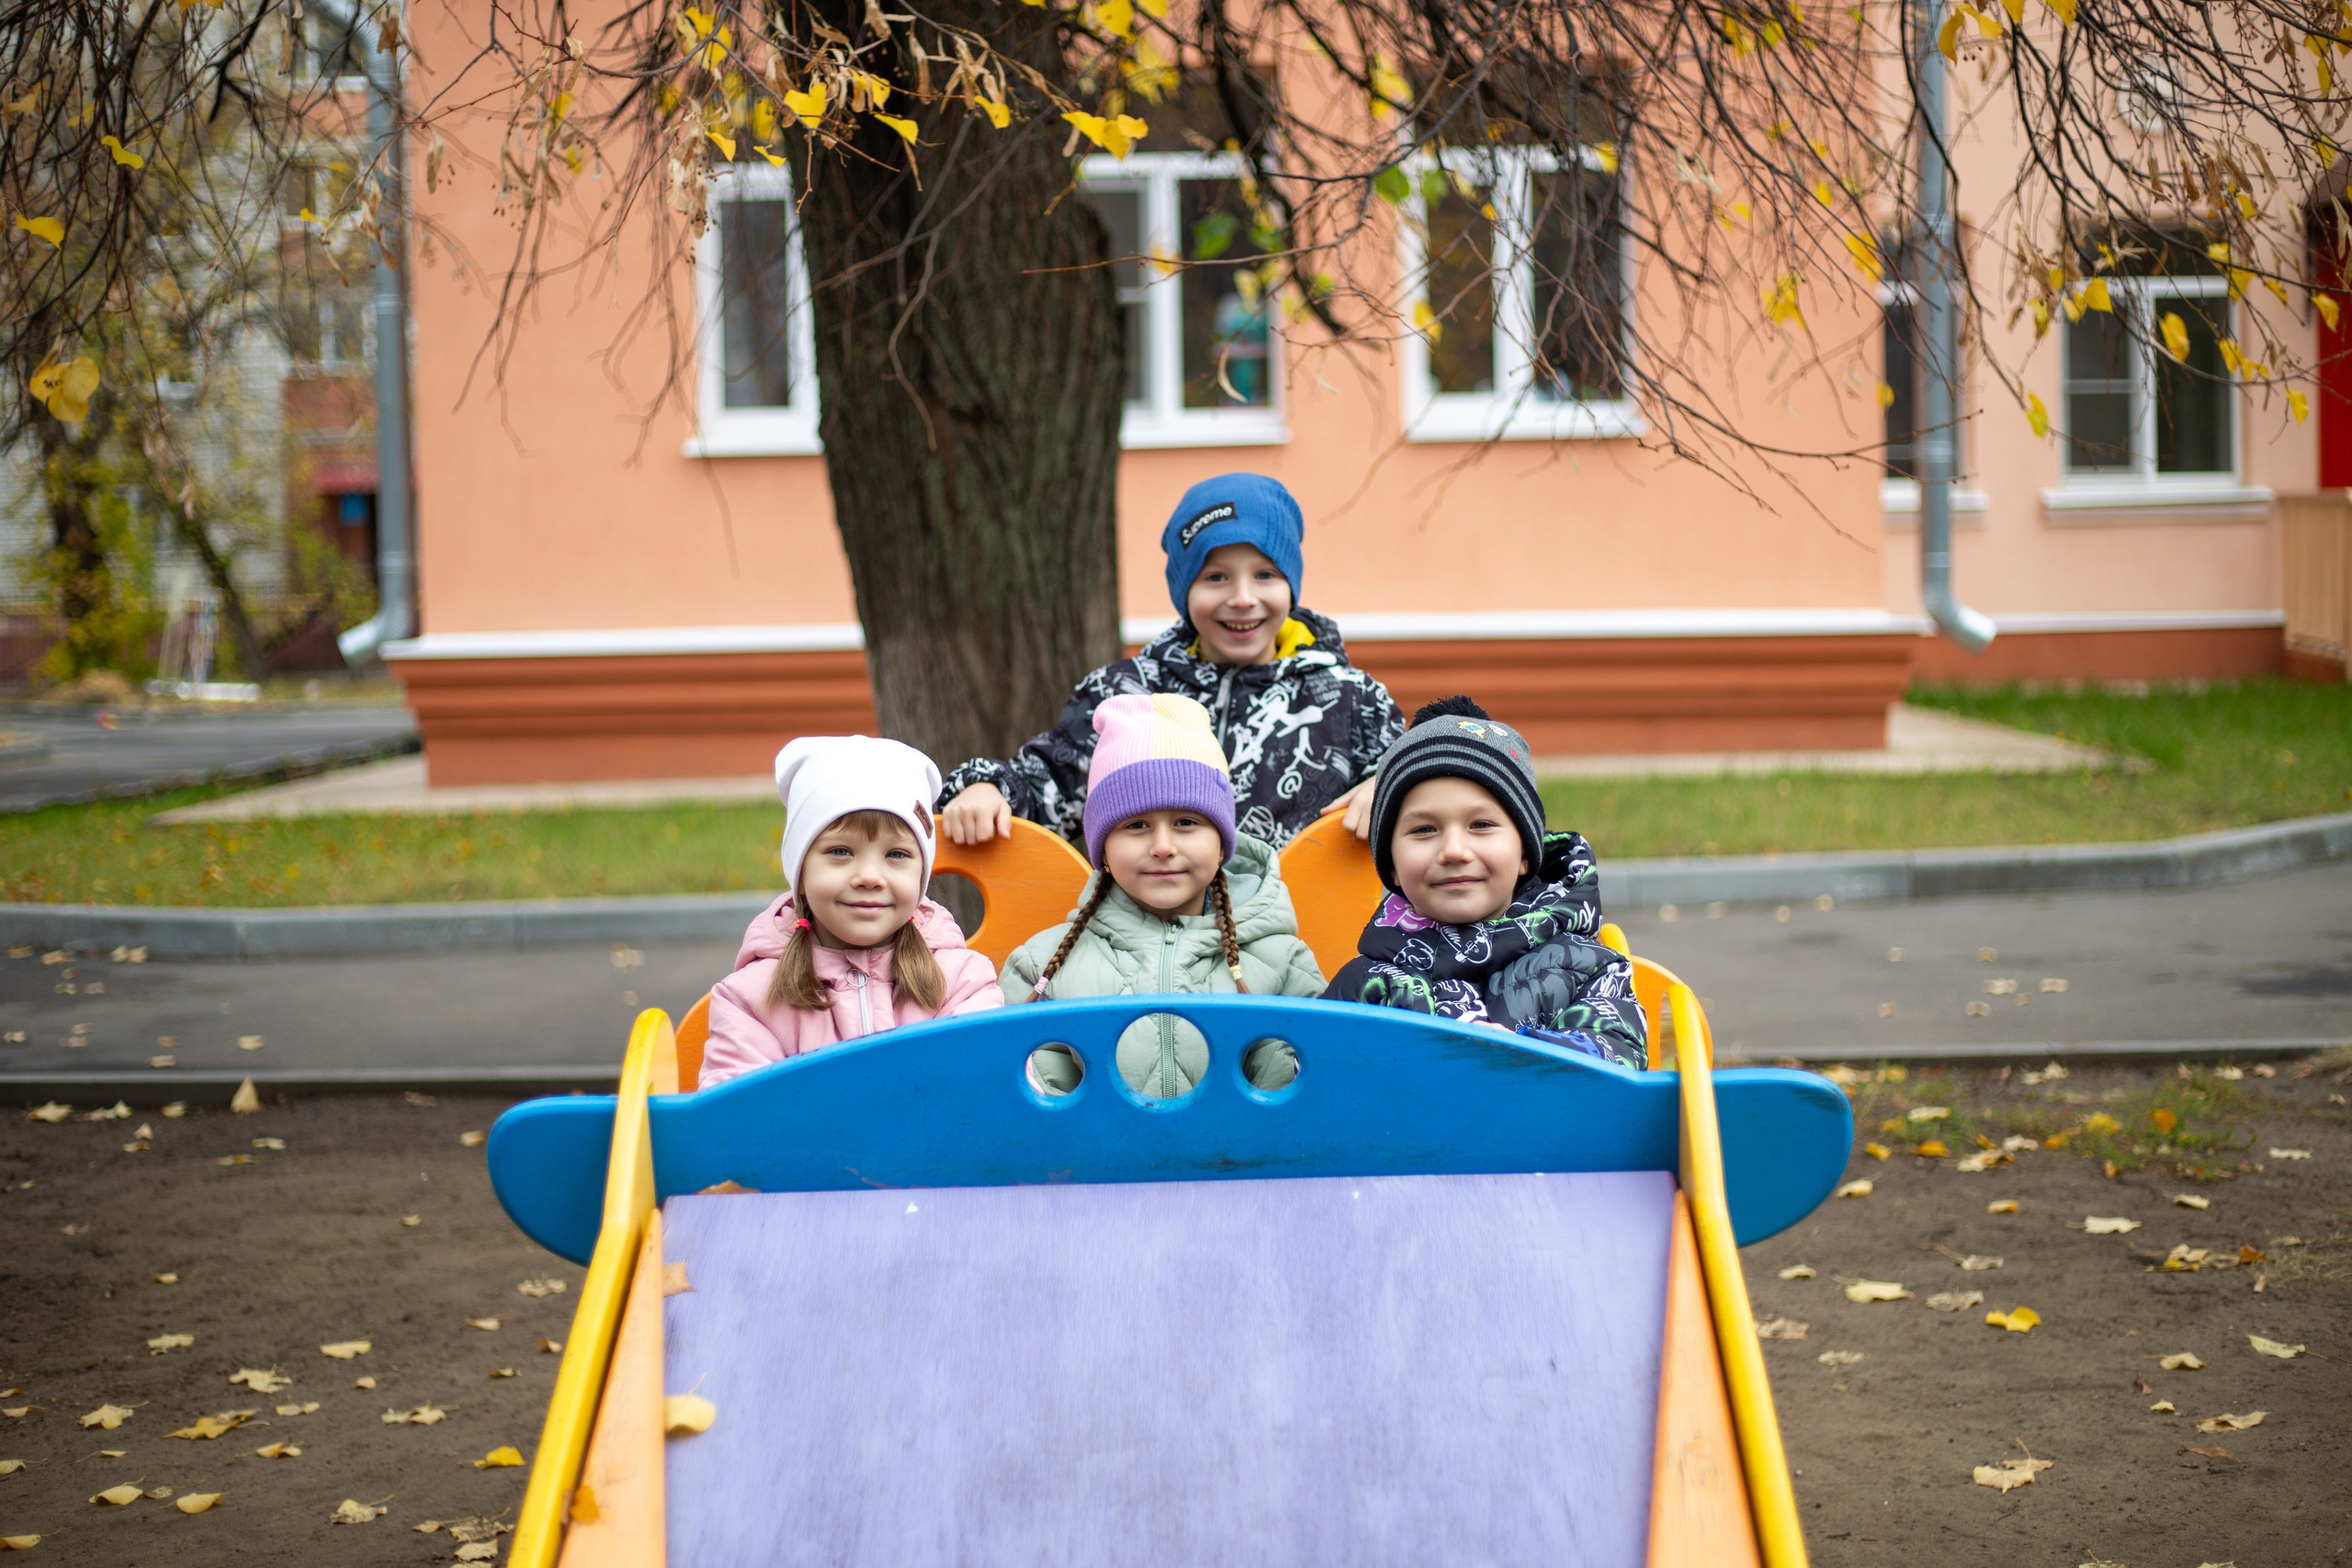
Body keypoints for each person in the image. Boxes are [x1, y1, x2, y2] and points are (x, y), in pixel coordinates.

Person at [937, 472, 1405, 852]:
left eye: (1265, 575)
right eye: (1216, 577)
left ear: (1291, 584)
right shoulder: (1130, 695)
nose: (1243, 599)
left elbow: (1436, 792)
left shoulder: (1351, 699)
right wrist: (990, 790)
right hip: (1154, 947)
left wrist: (1396, 781)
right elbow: (1051, 783)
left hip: (1304, 948)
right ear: (1184, 591)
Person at [1001, 694, 1325, 1098]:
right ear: (1102, 848)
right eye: (1136, 825)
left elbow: (1300, 1092)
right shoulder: (1042, 968)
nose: (1162, 846)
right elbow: (1030, 1100)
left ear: (1222, 843)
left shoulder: (1280, 961)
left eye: (1187, 822)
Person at [1323, 696, 1649, 1070]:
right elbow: (1315, 1086)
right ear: (1393, 867)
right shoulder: (1366, 982)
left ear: (1526, 852)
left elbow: (1618, 1059)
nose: (1454, 850)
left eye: (1480, 825)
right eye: (1424, 829)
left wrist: (1526, 1052)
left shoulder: (1587, 966)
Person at [698, 736, 1003, 1089]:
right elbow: (738, 1122)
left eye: (896, 855)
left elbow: (990, 1094)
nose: (870, 877)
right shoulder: (752, 999)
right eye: (841, 851)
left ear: (921, 874)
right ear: (800, 873)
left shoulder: (961, 984)